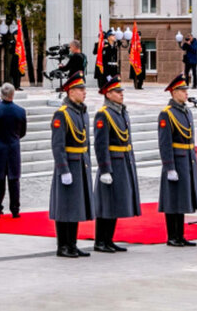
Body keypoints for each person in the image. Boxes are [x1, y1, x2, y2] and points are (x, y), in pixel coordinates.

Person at [92, 75, 140, 253]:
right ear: (108, 94)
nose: (121, 95)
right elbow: (100, 144)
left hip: (122, 162)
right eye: (117, 92)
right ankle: (100, 241)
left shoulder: (121, 112)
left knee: (116, 202)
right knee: (106, 204)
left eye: (121, 91)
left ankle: (109, 239)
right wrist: (104, 169)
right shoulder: (103, 114)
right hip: (111, 163)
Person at [50, 72, 94, 257]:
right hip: (68, 165)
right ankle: (63, 246)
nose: (84, 92)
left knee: (75, 206)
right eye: (80, 89)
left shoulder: (81, 112)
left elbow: (85, 142)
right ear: (70, 91)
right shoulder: (62, 114)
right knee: (64, 207)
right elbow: (58, 145)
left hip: (80, 164)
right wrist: (63, 169)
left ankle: (73, 244)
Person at [158, 74, 197, 247]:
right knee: (172, 199)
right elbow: (164, 142)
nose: (185, 93)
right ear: (174, 93)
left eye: (186, 90)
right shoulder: (167, 114)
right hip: (175, 160)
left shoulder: (186, 111)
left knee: (182, 198)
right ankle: (172, 236)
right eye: (182, 90)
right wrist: (169, 167)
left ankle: (180, 235)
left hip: (187, 159)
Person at [0, 82, 27, 218]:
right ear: (13, 94)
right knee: (14, 180)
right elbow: (23, 132)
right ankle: (15, 209)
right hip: (13, 148)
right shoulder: (20, 111)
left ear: (1, 94)